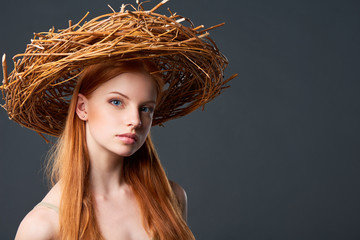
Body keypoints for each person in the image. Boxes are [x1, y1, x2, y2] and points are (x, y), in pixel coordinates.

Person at [1, 1, 236, 239]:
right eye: (117, 102)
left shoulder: (171, 198)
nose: (135, 120)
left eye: (145, 108)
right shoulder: (43, 226)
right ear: (82, 107)